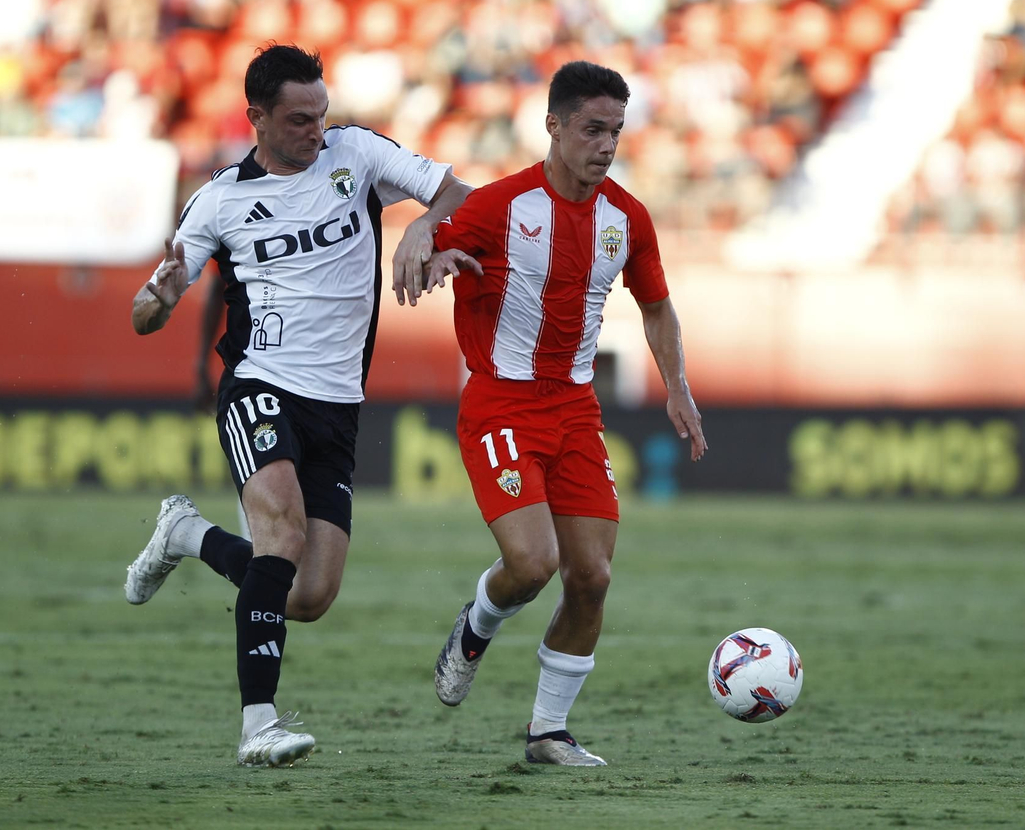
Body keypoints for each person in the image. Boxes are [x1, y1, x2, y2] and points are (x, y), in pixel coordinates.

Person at [123, 44, 469, 767]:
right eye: (298, 119)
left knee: (308, 595)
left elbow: (455, 190)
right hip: (260, 383)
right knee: (280, 537)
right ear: (256, 118)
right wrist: (155, 298)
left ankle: (187, 535)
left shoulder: (357, 155)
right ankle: (259, 725)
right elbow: (145, 314)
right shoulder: (219, 200)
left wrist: (423, 226)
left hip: (338, 403)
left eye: (322, 115)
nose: (316, 130)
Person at [423, 60, 708, 766]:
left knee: (593, 577)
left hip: (575, 410)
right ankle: (475, 627)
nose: (606, 144)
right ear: (553, 126)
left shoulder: (627, 218)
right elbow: (435, 235)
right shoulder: (499, 206)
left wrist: (677, 383)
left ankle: (548, 733)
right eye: (592, 129)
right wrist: (424, 250)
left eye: (615, 130)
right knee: (532, 563)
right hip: (501, 405)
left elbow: (657, 305)